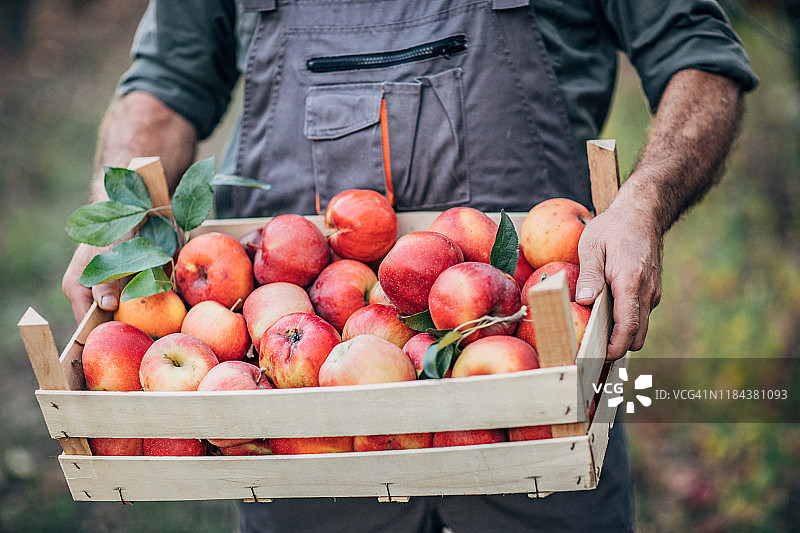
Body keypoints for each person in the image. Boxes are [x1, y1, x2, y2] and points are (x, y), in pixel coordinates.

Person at [62, 1, 758, 531]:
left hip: (539, 377)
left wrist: (642, 204)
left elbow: (697, 51)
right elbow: (168, 79)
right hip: (303, 420)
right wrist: (115, 211)